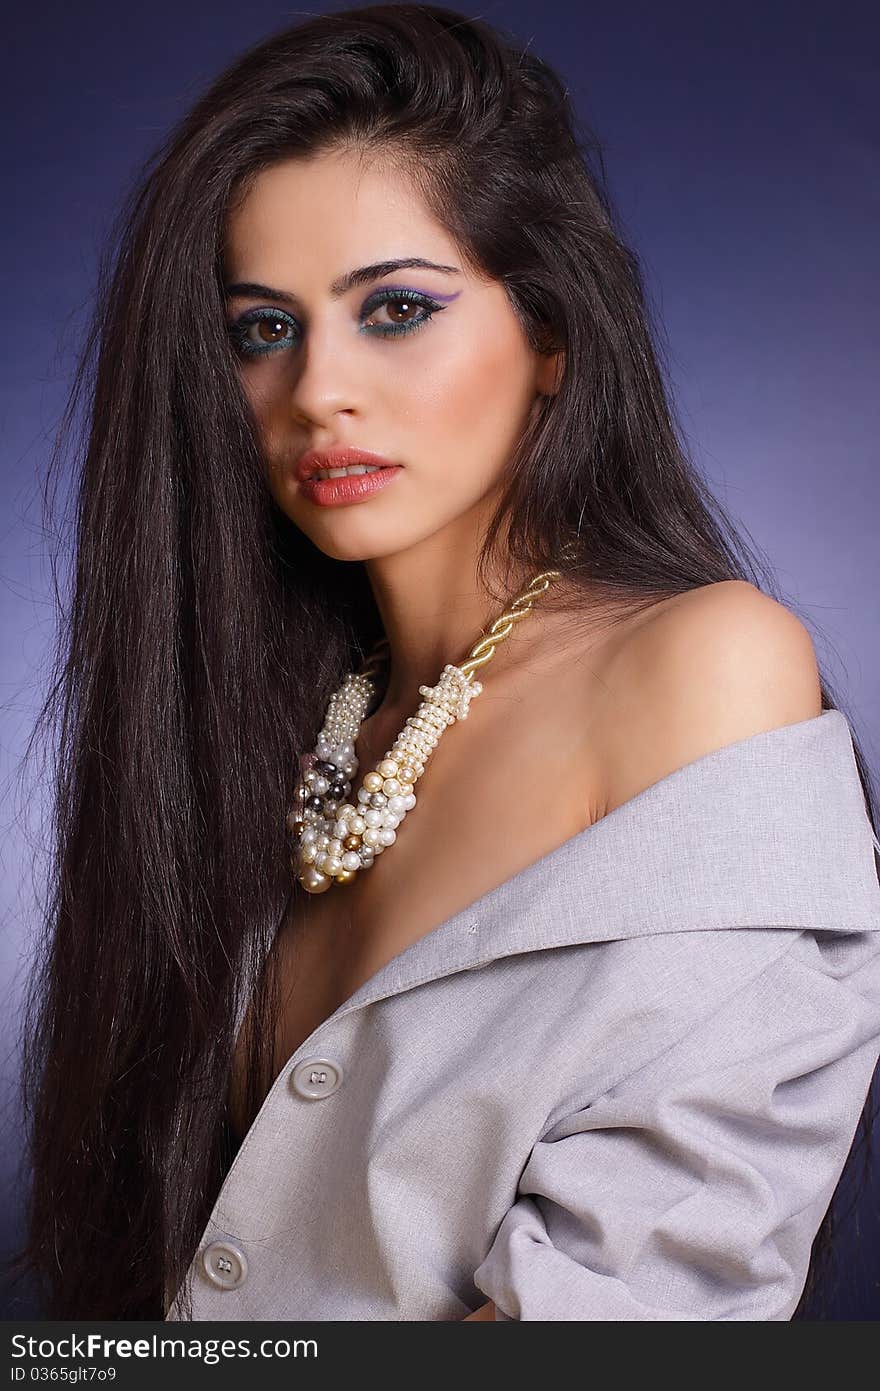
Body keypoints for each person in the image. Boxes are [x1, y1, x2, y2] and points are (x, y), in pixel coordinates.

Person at [9, 3, 880, 1321]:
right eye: (261, 329)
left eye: (396, 309)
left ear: (551, 337)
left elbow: (650, 1296)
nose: (317, 392)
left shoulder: (704, 664)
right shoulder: (281, 732)